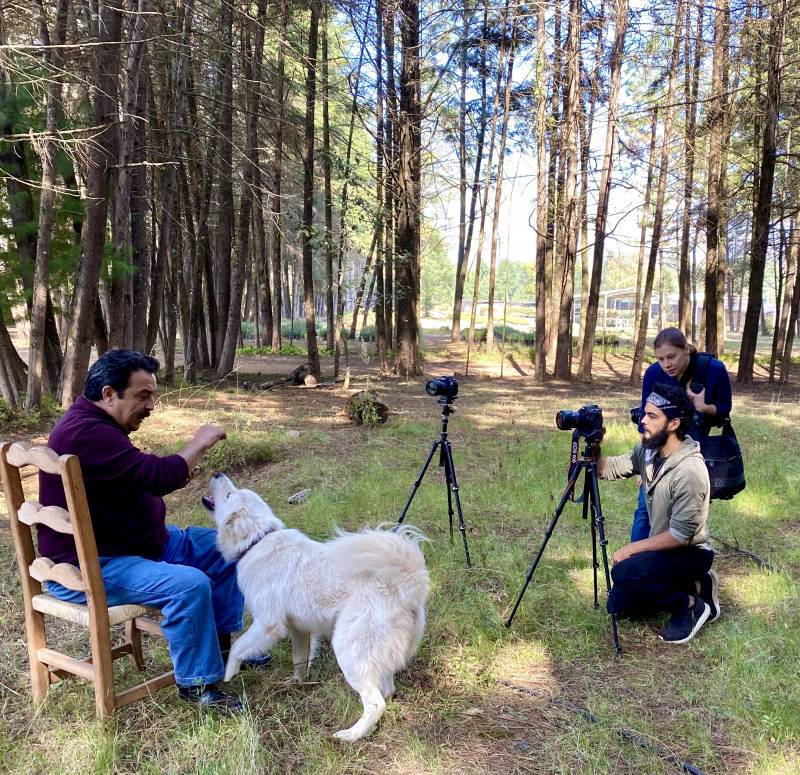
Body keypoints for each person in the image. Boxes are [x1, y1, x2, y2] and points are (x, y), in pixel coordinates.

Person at [38, 349, 267, 712]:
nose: (151, 406)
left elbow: (139, 475)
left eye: (153, 396)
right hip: (95, 564)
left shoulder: (96, 424)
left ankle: (223, 651)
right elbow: (159, 477)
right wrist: (200, 441)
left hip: (139, 546)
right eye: (142, 396)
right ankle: (198, 687)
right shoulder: (87, 432)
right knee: (190, 585)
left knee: (231, 546)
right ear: (109, 394)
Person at [598, 382, 720, 644]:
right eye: (644, 414)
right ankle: (698, 586)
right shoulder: (649, 451)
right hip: (665, 550)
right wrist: (591, 446)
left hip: (690, 552)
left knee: (624, 572)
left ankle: (689, 604)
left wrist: (633, 549)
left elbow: (681, 534)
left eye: (652, 416)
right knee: (618, 606)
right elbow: (609, 468)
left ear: (674, 423)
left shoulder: (689, 471)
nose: (643, 421)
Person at [630, 327, 732, 542]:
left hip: (693, 453)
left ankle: (688, 566)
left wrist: (703, 407)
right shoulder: (653, 374)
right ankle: (637, 562)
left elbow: (724, 409)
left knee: (685, 516)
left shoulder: (713, 369)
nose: (666, 364)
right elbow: (645, 420)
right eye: (660, 359)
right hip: (656, 452)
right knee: (644, 511)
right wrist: (642, 466)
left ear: (686, 349)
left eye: (671, 356)